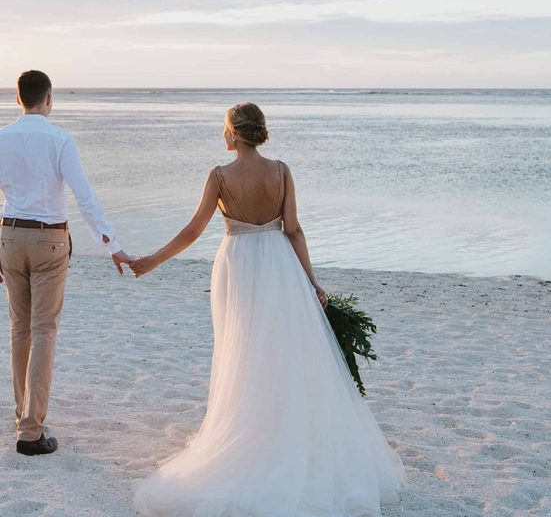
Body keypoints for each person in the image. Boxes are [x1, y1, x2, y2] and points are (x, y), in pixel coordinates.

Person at [130, 102, 405, 516]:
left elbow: (192, 230)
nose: (223, 135)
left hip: (238, 263)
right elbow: (293, 229)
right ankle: (282, 432)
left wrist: (152, 260)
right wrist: (312, 281)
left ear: (234, 135)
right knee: (284, 351)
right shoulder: (281, 171)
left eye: (224, 129)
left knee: (243, 353)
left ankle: (250, 431)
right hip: (280, 263)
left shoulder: (220, 176)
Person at [0, 70, 133, 456]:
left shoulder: (3, 138)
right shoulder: (60, 139)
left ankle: (23, 414)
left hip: (9, 235)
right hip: (49, 240)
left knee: (19, 328)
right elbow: (84, 195)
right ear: (49, 98)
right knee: (43, 331)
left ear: (18, 99)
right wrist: (112, 245)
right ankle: (30, 430)